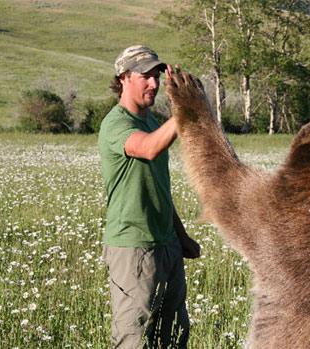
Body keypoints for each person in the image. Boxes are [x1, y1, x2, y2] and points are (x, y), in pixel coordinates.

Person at [98, 45, 200, 348]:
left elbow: (160, 189)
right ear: (124, 77)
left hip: (166, 245)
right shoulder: (116, 124)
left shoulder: (154, 123)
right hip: (133, 249)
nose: (153, 84)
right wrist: (184, 109)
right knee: (135, 338)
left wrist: (181, 236)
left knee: (172, 336)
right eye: (145, 76)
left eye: (157, 76)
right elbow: (148, 147)